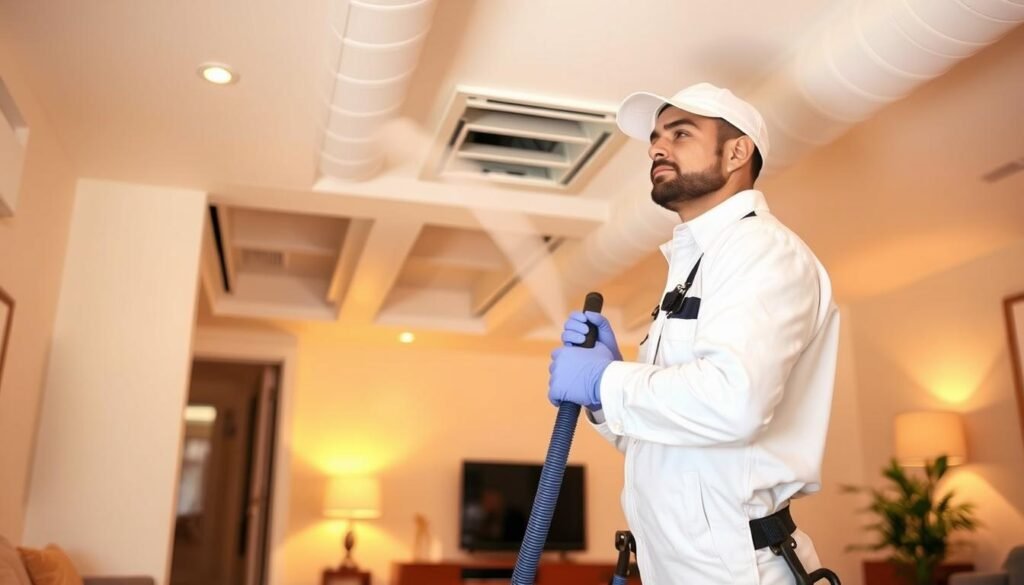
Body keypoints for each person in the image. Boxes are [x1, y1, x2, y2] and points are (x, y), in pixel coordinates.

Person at [548, 83, 841, 584]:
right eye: (655, 139)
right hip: (676, 565)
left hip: (736, 568)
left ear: (736, 152)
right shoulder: (696, 264)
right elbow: (661, 438)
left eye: (680, 133)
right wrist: (602, 396)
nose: (657, 148)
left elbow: (735, 402)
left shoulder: (762, 252)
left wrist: (606, 381)